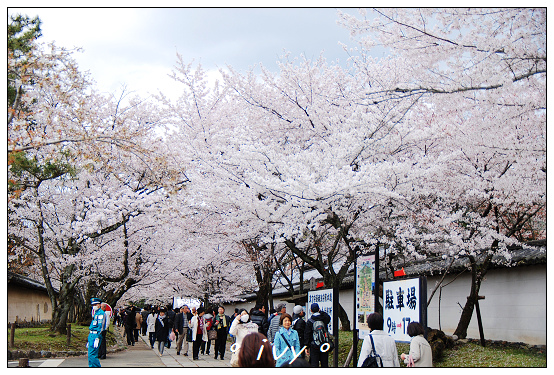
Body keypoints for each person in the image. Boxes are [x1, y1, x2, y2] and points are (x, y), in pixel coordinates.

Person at [305, 303, 331, 368]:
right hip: (324, 344)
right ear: (319, 309)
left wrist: (306, 346)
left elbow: (307, 334)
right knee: (324, 364)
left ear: (311, 310)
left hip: (314, 345)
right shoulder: (324, 319)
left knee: (314, 364)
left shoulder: (310, 321)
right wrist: (321, 311)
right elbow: (328, 317)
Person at [87, 298, 106, 367]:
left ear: (99, 305)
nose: (94, 306)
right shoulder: (96, 313)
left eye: (95, 304)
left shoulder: (101, 313)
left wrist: (98, 337)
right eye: (93, 305)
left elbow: (101, 326)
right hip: (91, 334)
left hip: (96, 335)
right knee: (90, 354)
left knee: (92, 354)